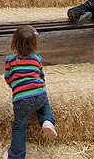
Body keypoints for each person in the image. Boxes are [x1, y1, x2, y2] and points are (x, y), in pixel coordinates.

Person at [4, 25, 57, 159]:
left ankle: (16, 155)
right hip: (39, 94)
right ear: (34, 43)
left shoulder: (10, 60)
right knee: (43, 98)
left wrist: (17, 88)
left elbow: (8, 78)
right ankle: (47, 120)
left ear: (14, 42)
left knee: (19, 127)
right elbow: (42, 78)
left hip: (21, 99)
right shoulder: (36, 59)